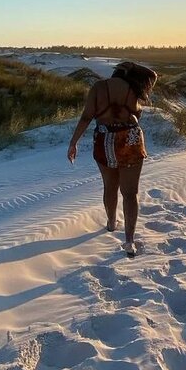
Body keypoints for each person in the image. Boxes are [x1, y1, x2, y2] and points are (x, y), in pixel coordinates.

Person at [67, 61, 157, 257]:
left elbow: (86, 117)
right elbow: (153, 75)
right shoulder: (134, 88)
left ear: (116, 71)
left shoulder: (99, 87)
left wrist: (73, 142)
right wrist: (132, 67)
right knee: (130, 193)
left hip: (104, 138)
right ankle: (129, 241)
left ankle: (111, 223)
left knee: (110, 186)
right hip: (130, 138)